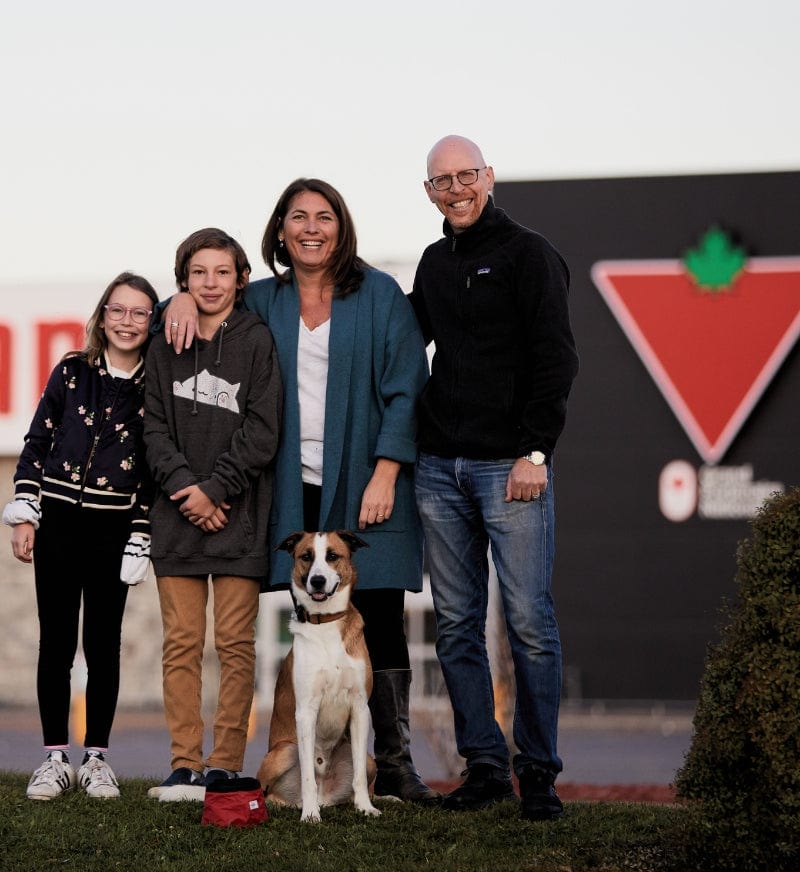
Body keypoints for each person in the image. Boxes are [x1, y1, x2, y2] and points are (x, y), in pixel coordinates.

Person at [165, 178, 438, 804]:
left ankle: (392, 763)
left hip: (368, 481)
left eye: (324, 217)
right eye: (298, 217)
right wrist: (177, 299)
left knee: (385, 619)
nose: (311, 228)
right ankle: (303, 756)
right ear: (280, 230)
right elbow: (195, 304)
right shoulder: (260, 298)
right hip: (288, 485)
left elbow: (407, 387)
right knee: (306, 617)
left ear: (340, 227)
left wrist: (389, 470)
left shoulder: (380, 296)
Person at [409, 135, 579, 820]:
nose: (455, 188)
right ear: (429, 193)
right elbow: (400, 341)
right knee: (455, 626)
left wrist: (535, 453)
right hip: (436, 469)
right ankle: (484, 766)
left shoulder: (530, 255)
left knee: (530, 624)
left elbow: (556, 359)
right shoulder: (432, 263)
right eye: (441, 180)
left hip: (509, 470)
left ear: (489, 177)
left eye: (465, 175)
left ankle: (537, 773)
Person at [2, 272, 159, 801]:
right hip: (60, 524)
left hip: (114, 530)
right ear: (103, 314)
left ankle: (96, 758)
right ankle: (52, 760)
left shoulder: (155, 387)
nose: (127, 321)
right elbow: (36, 441)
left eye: (140, 312)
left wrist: (141, 532)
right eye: (119, 310)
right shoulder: (71, 371)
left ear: (152, 321)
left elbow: (154, 472)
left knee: (103, 645)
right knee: (56, 643)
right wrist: (26, 511)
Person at [145, 228, 282, 801]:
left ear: (241, 279)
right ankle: (185, 764)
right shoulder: (162, 342)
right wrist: (187, 490)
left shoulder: (257, 341)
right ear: (183, 279)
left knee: (235, 645)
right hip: (177, 518)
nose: (210, 282)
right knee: (181, 644)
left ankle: (224, 763)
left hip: (238, 519)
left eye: (221, 272)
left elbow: (263, 428)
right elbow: (151, 425)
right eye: (198, 272)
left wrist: (218, 490)